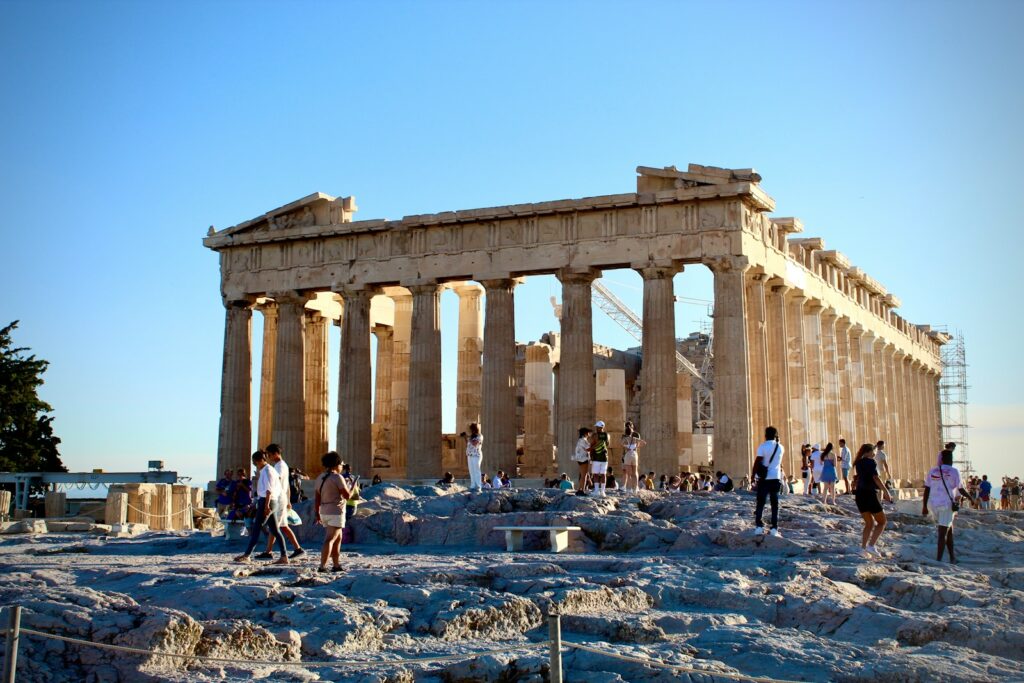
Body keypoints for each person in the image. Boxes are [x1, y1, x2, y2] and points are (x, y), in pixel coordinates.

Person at [234, 450, 289, 564]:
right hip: (270, 501)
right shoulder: (269, 470)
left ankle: (247, 555)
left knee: (256, 528)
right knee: (275, 530)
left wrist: (266, 506)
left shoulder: (267, 471)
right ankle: (284, 556)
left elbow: (269, 490)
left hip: (267, 501)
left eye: (254, 462)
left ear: (257, 461)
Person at [922, 449, 974, 564]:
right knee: (942, 533)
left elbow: (927, 489)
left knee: (949, 530)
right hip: (946, 505)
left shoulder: (933, 471)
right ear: (951, 459)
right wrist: (971, 498)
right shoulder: (954, 471)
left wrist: (924, 506)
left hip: (933, 504)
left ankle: (952, 557)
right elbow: (960, 488)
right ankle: (939, 560)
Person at [259, 444, 306, 560]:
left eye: (269, 454)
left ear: (275, 453)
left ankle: (271, 552)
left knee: (275, 526)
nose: (268, 457)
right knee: (283, 526)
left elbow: (276, 481)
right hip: (282, 498)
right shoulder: (283, 465)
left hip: (279, 498)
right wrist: (288, 500)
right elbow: (287, 486)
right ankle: (297, 549)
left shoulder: (279, 466)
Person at [852, 443, 893, 558]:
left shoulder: (858, 463)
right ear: (869, 452)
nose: (875, 454)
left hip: (860, 495)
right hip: (870, 494)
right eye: (874, 452)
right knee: (882, 522)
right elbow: (875, 478)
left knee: (869, 523)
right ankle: (871, 545)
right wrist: (886, 492)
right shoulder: (871, 462)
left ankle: (863, 549)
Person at [313, 451, 352, 573]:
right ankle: (322, 566)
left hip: (324, 511)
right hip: (335, 511)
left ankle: (336, 565)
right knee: (330, 538)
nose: (342, 466)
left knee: (338, 538)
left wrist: (317, 513)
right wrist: (351, 487)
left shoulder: (320, 477)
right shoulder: (337, 477)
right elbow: (347, 496)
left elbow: (317, 498)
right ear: (337, 464)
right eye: (341, 464)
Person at [751, 427, 784, 536]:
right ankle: (774, 528)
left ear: (765, 435)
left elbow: (757, 462)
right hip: (776, 477)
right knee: (775, 504)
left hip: (764, 479)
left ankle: (759, 526)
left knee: (760, 502)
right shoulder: (781, 447)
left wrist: (752, 475)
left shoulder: (763, 446)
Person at [620, 421, 646, 493]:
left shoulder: (627, 437)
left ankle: (630, 488)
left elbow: (621, 443)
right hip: (634, 454)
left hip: (628, 454)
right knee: (633, 472)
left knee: (629, 473)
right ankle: (632, 488)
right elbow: (643, 442)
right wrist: (635, 447)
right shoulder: (634, 437)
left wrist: (627, 447)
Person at [588, 421, 610, 497]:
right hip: (604, 457)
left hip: (596, 457)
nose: (596, 428)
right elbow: (607, 444)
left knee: (596, 474)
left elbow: (592, 444)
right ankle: (602, 491)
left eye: (597, 427)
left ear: (601, 427)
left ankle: (597, 490)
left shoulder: (595, 435)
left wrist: (590, 451)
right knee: (603, 474)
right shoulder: (606, 435)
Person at [460, 423, 484, 491]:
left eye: (472, 429)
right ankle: (473, 485)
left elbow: (474, 444)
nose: (471, 431)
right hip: (470, 455)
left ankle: (479, 485)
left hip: (476, 455)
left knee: (476, 470)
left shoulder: (480, 436)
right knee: (471, 470)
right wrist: (466, 437)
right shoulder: (471, 436)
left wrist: (468, 438)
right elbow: (468, 444)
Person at [573, 427, 592, 492]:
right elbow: (588, 448)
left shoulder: (580, 440)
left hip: (579, 459)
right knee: (584, 475)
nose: (589, 433)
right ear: (585, 433)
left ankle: (579, 489)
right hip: (583, 459)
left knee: (582, 475)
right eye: (588, 432)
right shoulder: (584, 440)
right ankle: (582, 490)